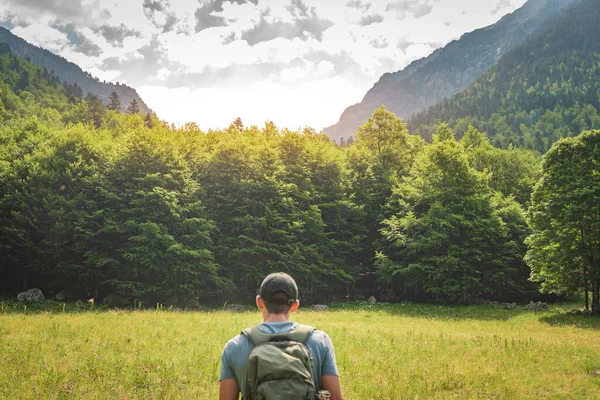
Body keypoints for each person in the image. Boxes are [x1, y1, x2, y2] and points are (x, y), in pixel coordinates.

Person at [219, 272, 344, 400]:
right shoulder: (320, 341)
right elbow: (335, 397)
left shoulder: (234, 346)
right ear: (295, 305)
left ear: (259, 302)